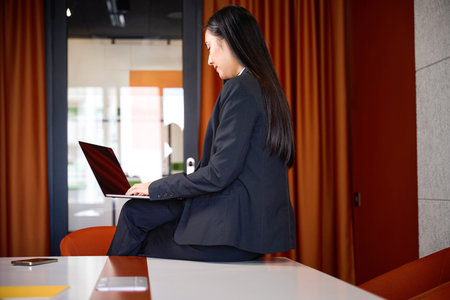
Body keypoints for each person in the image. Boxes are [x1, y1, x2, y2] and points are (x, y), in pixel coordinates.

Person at [107, 5, 296, 261]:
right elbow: (226, 171)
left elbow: (219, 174)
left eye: (210, 47)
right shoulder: (262, 86)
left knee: (143, 237)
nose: (209, 60)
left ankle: (107, 289)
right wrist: (157, 188)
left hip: (234, 230)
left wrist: (155, 186)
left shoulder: (241, 89)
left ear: (228, 42)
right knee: (135, 212)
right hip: (244, 221)